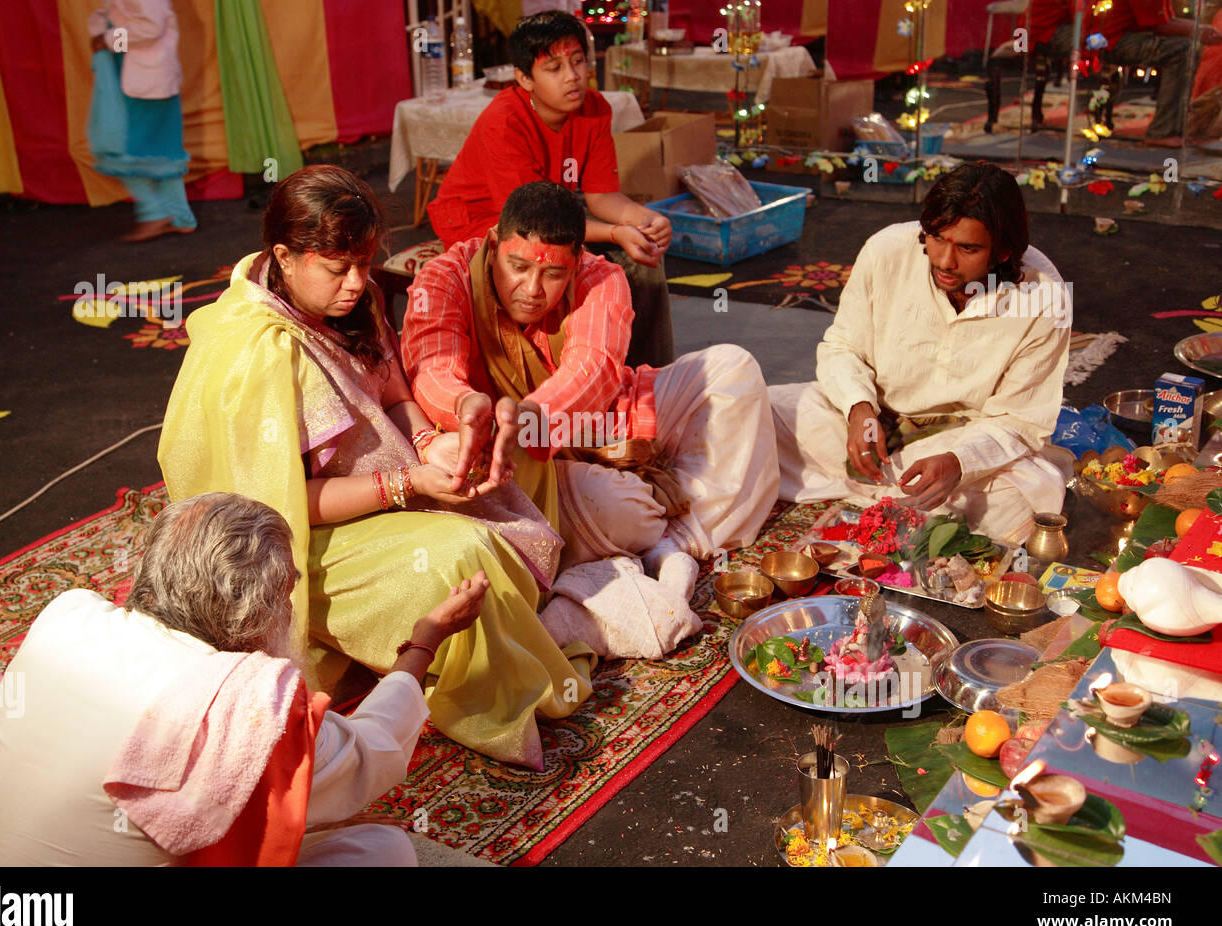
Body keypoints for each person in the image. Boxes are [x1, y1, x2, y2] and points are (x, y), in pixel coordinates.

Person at [157, 166, 593, 770]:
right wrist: (405, 483)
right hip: (295, 541)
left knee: (515, 464)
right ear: (283, 256)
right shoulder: (255, 347)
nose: (358, 284)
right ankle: (479, 688)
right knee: (460, 556)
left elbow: (390, 386)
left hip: (388, 483)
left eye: (365, 264)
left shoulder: (345, 299)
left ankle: (504, 612)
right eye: (339, 270)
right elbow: (273, 508)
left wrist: (423, 438)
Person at [0, 492, 491, 866]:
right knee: (381, 849)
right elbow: (372, 755)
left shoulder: (66, 616)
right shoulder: (246, 707)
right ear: (260, 610)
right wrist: (425, 641)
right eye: (289, 591)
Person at [403, 181, 778, 588]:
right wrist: (467, 406)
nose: (532, 290)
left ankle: (680, 537)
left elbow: (596, 369)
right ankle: (664, 513)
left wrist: (531, 416)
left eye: (552, 274)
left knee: (734, 369)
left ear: (577, 260)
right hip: (519, 456)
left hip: (604, 420)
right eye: (519, 267)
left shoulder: (601, 277)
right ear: (493, 245)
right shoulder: (444, 278)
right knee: (626, 511)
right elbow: (430, 370)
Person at [768, 162, 1071, 545]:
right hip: (866, 427)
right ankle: (891, 502)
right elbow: (842, 346)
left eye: (968, 248)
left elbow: (1020, 420)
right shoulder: (886, 251)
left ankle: (875, 495)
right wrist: (858, 407)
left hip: (952, 442)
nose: (945, 261)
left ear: (1004, 251)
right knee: (756, 412)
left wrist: (959, 463)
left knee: (1021, 499)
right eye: (937, 239)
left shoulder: (1044, 297)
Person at [426, 9, 675, 369]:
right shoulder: (505, 121)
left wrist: (644, 219)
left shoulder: (595, 109)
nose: (572, 77)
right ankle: (587, 374)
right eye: (554, 68)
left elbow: (602, 196)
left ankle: (651, 374)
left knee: (645, 251)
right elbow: (533, 224)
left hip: (551, 216)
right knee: (591, 261)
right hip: (486, 219)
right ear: (524, 78)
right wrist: (618, 232)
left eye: (578, 62)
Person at [86, 0, 198, 241]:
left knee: (122, 148)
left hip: (143, 78)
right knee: (162, 151)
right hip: (142, 75)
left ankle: (154, 212)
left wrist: (106, 40)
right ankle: (180, 217)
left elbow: (150, 29)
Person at [1051, 0, 1222, 147]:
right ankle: (1163, 131)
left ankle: (1176, 127)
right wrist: (1199, 30)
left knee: (1187, 47)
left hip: (1114, 35)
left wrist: (1201, 29)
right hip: (1105, 40)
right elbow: (1159, 26)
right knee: (1184, 50)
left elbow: (1164, 19)